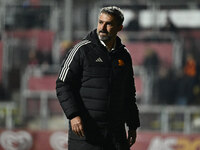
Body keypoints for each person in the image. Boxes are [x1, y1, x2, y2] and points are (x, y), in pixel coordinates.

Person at [56, 6, 140, 150]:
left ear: (119, 27)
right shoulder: (81, 50)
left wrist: (132, 125)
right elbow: (63, 84)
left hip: (115, 134)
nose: (103, 27)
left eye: (108, 24)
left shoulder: (124, 55)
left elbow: (129, 93)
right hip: (86, 133)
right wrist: (73, 115)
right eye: (100, 22)